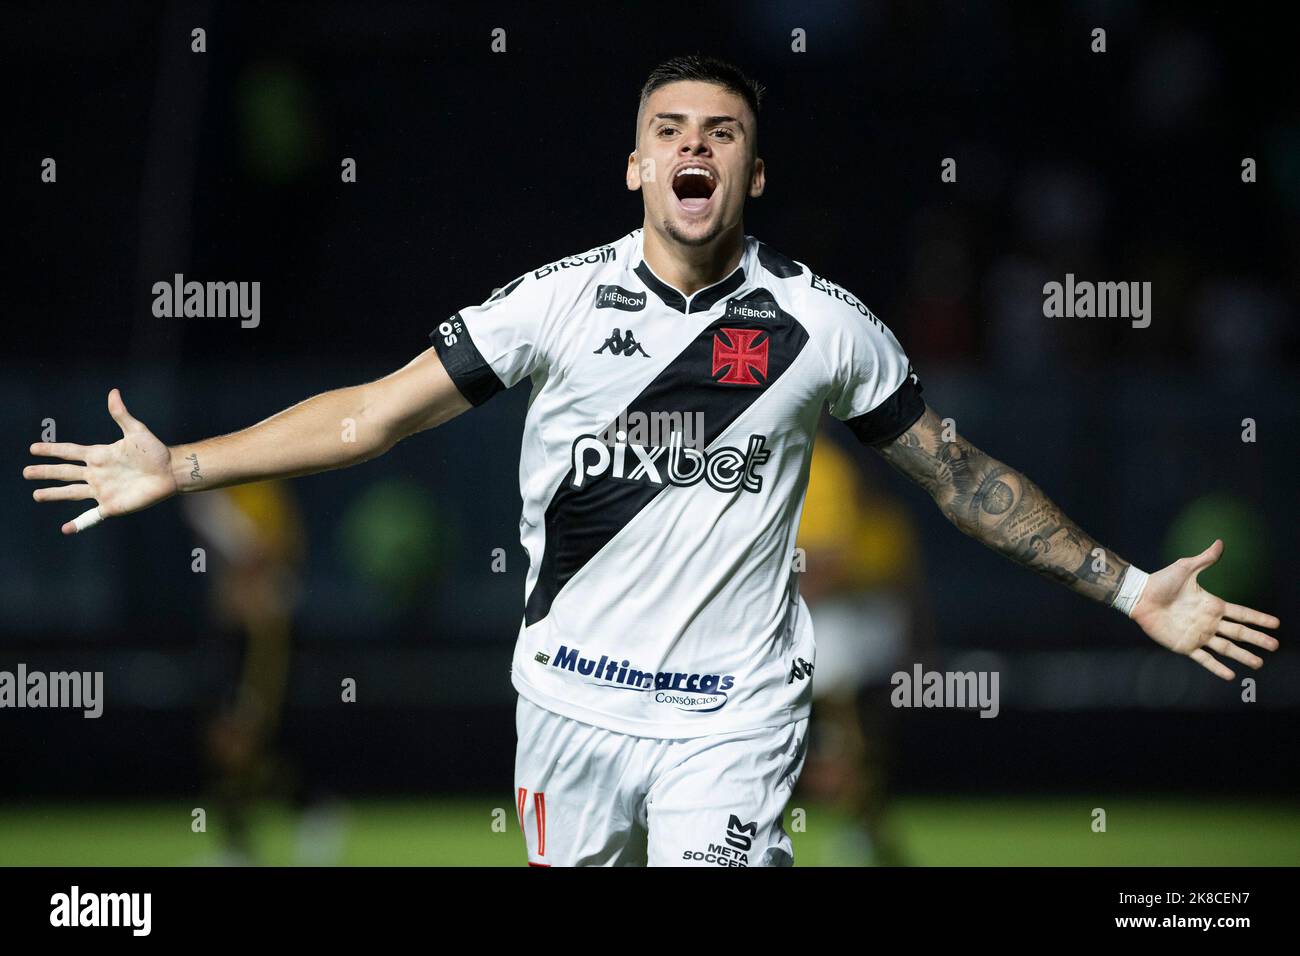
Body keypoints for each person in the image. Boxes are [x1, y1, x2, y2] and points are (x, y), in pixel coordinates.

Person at [24, 55, 1280, 867]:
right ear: (636, 164)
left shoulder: (824, 325)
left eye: (722, 131)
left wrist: (1126, 589)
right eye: (669, 129)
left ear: (751, 167)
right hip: (565, 707)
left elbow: (958, 474)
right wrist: (180, 465)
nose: (695, 147)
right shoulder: (552, 306)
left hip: (731, 721)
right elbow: (367, 418)